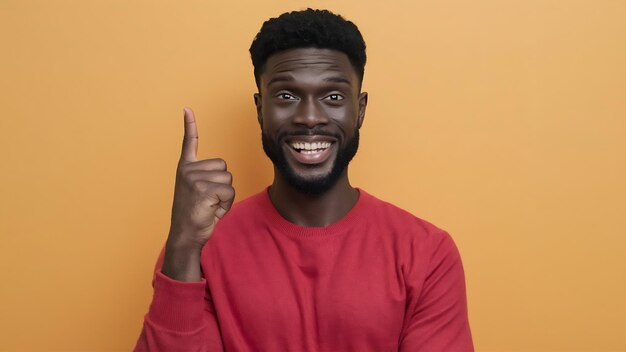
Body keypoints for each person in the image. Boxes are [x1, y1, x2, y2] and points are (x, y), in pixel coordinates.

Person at [134, 8, 473, 352]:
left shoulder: (427, 253)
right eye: (286, 96)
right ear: (260, 109)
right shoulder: (198, 248)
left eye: (333, 97)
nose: (309, 117)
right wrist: (181, 246)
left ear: (361, 109)